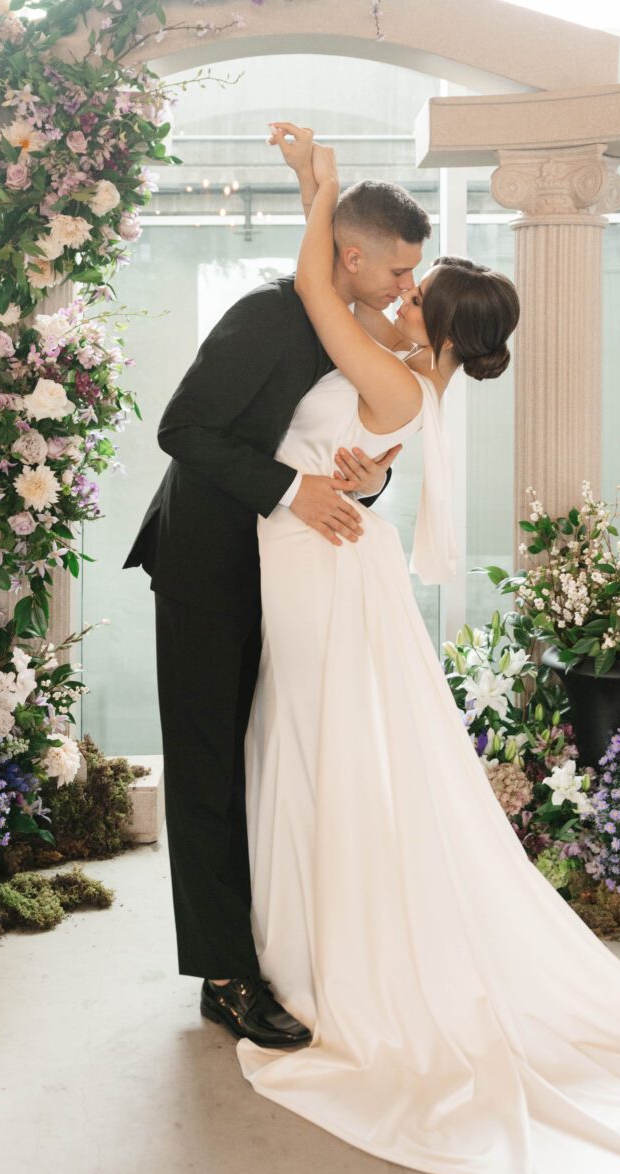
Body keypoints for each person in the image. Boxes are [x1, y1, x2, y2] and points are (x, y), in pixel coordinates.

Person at [233, 121, 620, 1174]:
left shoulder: (400, 380)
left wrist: (314, 186)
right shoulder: (405, 368)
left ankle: (328, 961)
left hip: (322, 574)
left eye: (417, 287)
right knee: (308, 740)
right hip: (320, 555)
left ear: (438, 322)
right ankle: (301, 945)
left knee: (319, 741)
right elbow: (337, 323)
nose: (399, 293)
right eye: (405, 279)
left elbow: (320, 292)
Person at [124, 173, 433, 1048]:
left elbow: (330, 444)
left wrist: (363, 484)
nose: (405, 288)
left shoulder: (342, 326)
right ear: (352, 253)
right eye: (397, 270)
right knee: (208, 770)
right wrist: (291, 492)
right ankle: (223, 978)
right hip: (206, 566)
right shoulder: (266, 314)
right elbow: (182, 429)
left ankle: (267, 943)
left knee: (263, 763)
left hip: (289, 576)